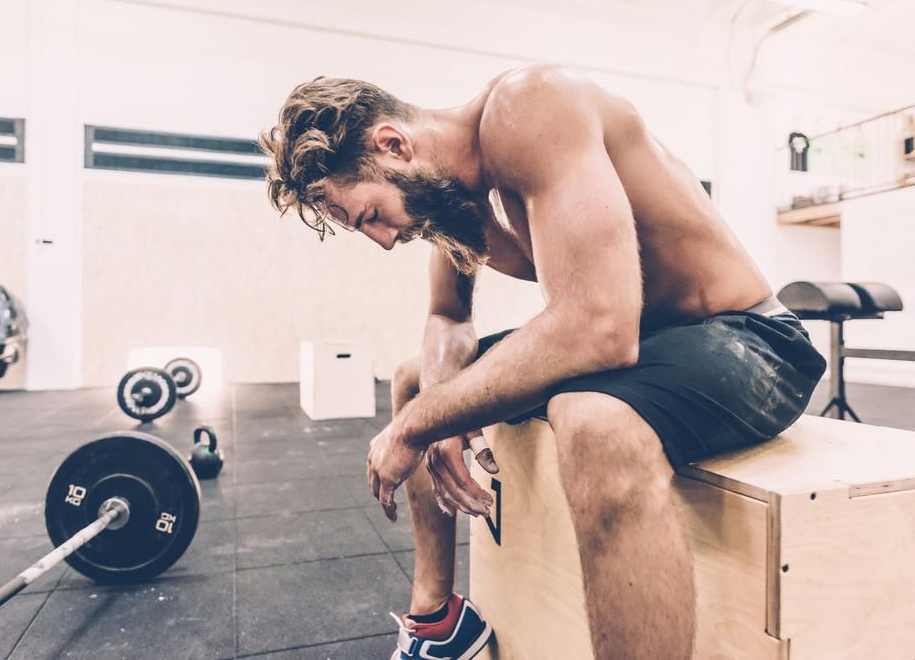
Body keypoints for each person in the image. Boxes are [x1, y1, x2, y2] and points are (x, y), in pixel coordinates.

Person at [260, 64, 826, 660]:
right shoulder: (448, 203)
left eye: (370, 215)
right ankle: (440, 622)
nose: (381, 240)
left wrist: (423, 421)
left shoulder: (528, 107)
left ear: (394, 145)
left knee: (590, 420)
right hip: (649, 343)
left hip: (749, 337)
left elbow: (600, 325)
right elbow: (448, 318)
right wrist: (434, 403)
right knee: (413, 379)